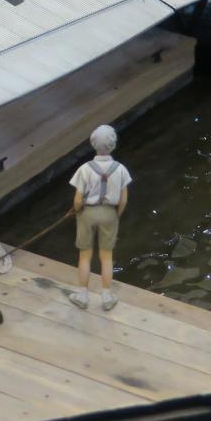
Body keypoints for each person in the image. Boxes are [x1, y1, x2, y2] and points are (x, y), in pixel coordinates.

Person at [68, 124, 131, 311]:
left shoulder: (84, 169)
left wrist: (76, 210)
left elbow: (78, 199)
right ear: (113, 144)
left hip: (87, 213)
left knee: (85, 255)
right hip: (109, 213)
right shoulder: (120, 169)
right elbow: (124, 200)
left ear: (93, 143)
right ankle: (106, 296)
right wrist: (116, 215)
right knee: (106, 256)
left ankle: (82, 295)